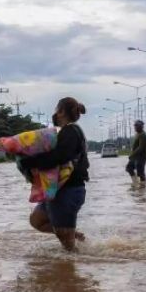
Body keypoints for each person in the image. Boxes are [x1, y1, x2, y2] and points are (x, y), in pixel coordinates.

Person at [20, 97, 90, 251]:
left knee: (68, 249)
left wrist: (31, 162)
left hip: (69, 191)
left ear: (61, 111)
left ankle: (73, 265)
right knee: (36, 221)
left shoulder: (71, 131)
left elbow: (59, 157)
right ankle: (72, 235)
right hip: (57, 190)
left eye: (57, 110)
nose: (55, 114)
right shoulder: (66, 132)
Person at [126, 120, 146, 185]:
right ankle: (135, 182)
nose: (135, 127)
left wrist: (132, 154)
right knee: (129, 168)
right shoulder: (137, 134)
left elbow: (141, 148)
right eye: (135, 126)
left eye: (137, 126)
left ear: (141, 126)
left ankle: (143, 186)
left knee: (140, 172)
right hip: (135, 157)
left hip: (141, 157)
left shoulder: (143, 135)